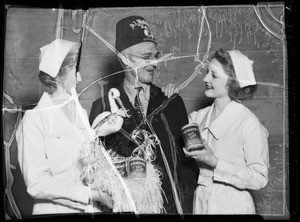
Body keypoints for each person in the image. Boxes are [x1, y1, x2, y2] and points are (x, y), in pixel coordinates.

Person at [89, 16, 199, 214]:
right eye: (146, 57)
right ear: (124, 58)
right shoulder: (103, 106)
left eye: (156, 55)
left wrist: (178, 199)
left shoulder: (171, 102)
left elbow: (188, 163)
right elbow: (94, 166)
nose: (154, 63)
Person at [162, 48, 269, 214]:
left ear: (233, 82)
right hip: (201, 202)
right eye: (207, 72)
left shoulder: (248, 123)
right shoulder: (197, 118)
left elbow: (259, 179)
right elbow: (172, 140)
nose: (205, 78)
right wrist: (169, 99)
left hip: (235, 206)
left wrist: (215, 162)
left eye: (214, 75)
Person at [16, 39, 116, 215]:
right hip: (55, 211)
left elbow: (86, 163)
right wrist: (91, 194)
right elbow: (37, 183)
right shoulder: (33, 120)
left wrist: (101, 134)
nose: (80, 78)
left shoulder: (81, 113)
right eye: (75, 71)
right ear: (59, 74)